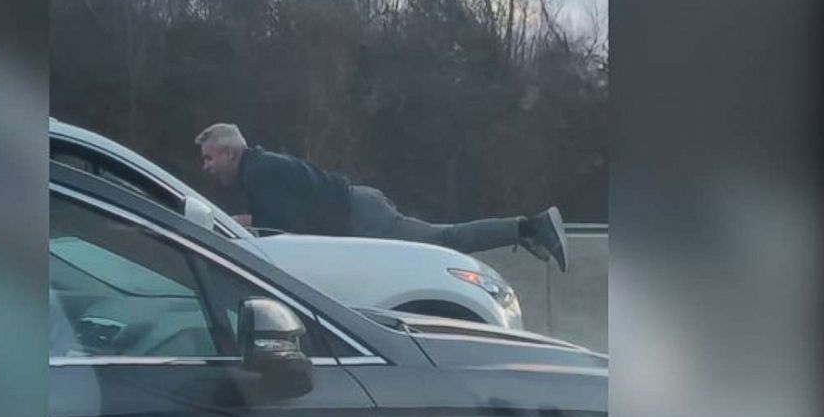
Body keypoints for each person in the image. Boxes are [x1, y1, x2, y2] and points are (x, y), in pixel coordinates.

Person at [195, 123, 569, 271]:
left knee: (445, 241)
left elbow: (286, 230)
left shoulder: (259, 173)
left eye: (209, 157)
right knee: (444, 239)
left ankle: (531, 228)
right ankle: (526, 230)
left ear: (229, 153)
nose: (206, 166)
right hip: (358, 208)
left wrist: (244, 224)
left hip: (360, 216)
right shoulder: (259, 167)